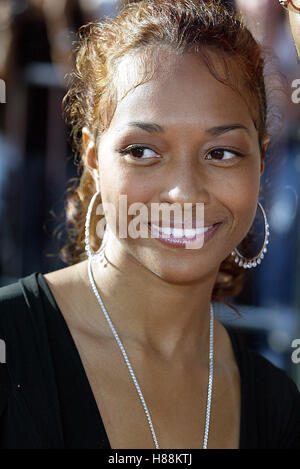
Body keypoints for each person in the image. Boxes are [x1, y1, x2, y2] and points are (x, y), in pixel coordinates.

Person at [0, 0, 299, 449]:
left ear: (259, 164)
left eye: (221, 153)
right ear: (94, 158)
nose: (183, 191)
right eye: (142, 151)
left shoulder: (277, 406)